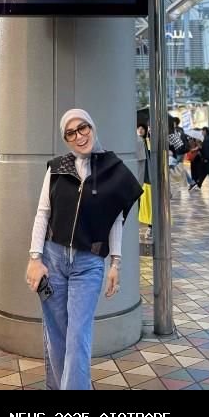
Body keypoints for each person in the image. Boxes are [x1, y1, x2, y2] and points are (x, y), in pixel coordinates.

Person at [26, 109, 143, 390]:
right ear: (65, 139)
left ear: (92, 127)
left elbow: (116, 220)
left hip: (88, 263)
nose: (79, 136)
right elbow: (43, 213)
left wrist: (115, 263)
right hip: (53, 258)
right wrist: (35, 258)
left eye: (83, 128)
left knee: (78, 336)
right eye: (71, 133)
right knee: (56, 334)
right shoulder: (57, 168)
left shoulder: (113, 170)